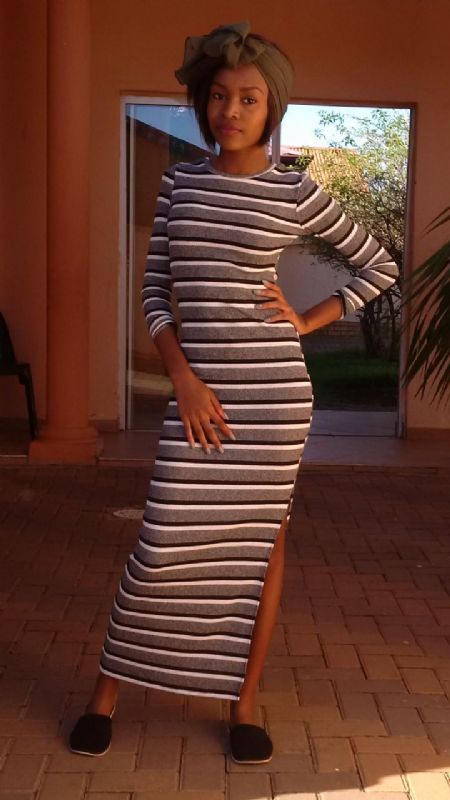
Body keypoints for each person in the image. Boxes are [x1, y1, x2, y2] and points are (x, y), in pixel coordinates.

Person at [69, 20, 400, 763]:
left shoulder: (294, 192)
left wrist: (309, 319)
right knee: (161, 542)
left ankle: (243, 702)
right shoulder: (181, 182)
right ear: (202, 102)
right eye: (219, 95)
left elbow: (379, 265)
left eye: (249, 98)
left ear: (272, 106)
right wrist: (182, 377)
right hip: (198, 394)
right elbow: (156, 293)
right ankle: (107, 692)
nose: (231, 110)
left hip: (271, 400)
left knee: (261, 546)